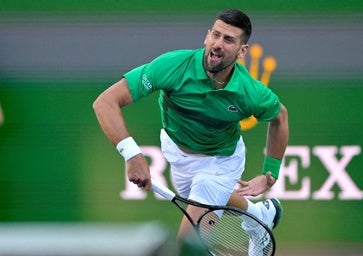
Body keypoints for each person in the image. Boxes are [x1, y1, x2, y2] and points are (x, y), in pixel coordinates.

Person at [93, 9, 289, 254]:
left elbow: (279, 117)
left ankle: (248, 216)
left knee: (189, 245)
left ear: (242, 51)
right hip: (177, 154)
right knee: (206, 202)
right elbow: (105, 102)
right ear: (206, 36)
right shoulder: (173, 66)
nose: (218, 44)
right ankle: (260, 214)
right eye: (215, 35)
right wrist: (132, 155)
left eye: (228, 40)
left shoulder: (249, 92)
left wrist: (270, 172)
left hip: (220, 163)